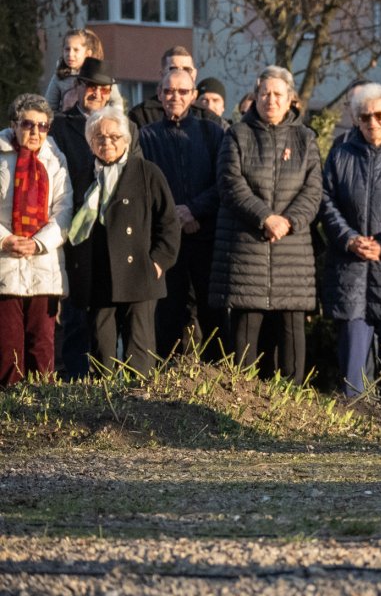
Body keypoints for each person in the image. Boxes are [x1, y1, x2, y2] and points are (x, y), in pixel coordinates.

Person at [210, 65, 322, 383]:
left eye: (277, 94)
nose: (270, 100)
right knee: (246, 331)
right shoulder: (237, 135)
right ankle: (242, 401)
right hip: (246, 248)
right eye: (264, 93)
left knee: (291, 331)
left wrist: (288, 221)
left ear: (290, 100)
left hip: (292, 251)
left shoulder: (305, 138)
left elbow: (314, 191)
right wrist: (265, 217)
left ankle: (293, 403)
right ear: (255, 96)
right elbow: (230, 183)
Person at [65, 107, 180, 374]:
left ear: (126, 139)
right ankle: (103, 409)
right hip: (98, 276)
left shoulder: (147, 172)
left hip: (138, 274)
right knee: (100, 352)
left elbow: (170, 223)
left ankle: (139, 411)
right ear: (90, 142)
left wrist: (158, 263)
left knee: (138, 354)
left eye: (114, 136)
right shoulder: (84, 176)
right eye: (99, 137)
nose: (107, 143)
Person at [321, 83, 381, 397]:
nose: (372, 122)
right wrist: (348, 239)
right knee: (353, 381)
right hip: (351, 270)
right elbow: (325, 201)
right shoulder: (340, 151)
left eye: (379, 115)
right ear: (355, 119)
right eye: (365, 116)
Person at [138, 69, 227, 360]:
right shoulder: (146, 136)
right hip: (167, 240)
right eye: (168, 91)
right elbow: (144, 186)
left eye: (182, 91)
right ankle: (168, 378)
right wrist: (174, 216)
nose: (174, 97)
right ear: (160, 95)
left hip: (206, 234)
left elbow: (224, 182)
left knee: (212, 312)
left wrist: (194, 210)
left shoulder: (212, 132)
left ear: (194, 96)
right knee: (168, 312)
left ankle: (220, 376)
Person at [47, 57, 122, 378]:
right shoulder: (61, 126)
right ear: (77, 88)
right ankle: (75, 379)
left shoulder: (121, 127)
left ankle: (106, 377)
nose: (96, 94)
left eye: (102, 89)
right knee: (76, 312)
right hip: (75, 229)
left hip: (111, 231)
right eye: (90, 87)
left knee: (107, 313)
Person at [0, 95, 72, 384]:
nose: (35, 132)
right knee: (8, 350)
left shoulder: (55, 159)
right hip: (5, 263)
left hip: (44, 263)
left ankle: (44, 415)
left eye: (43, 126)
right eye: (28, 124)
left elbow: (65, 209)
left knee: (42, 347)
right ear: (13, 124)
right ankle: (11, 417)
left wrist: (40, 242)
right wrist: (6, 240)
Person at [127, 47, 224, 129]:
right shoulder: (142, 115)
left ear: (194, 74)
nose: (181, 73)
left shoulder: (208, 118)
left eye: (187, 69)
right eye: (174, 69)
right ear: (162, 74)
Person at [44, 28, 123, 113]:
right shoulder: (59, 77)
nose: (70, 54)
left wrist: (115, 120)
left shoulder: (101, 76)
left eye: (76, 50)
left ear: (88, 53)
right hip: (67, 122)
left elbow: (116, 102)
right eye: (67, 49)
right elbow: (49, 107)